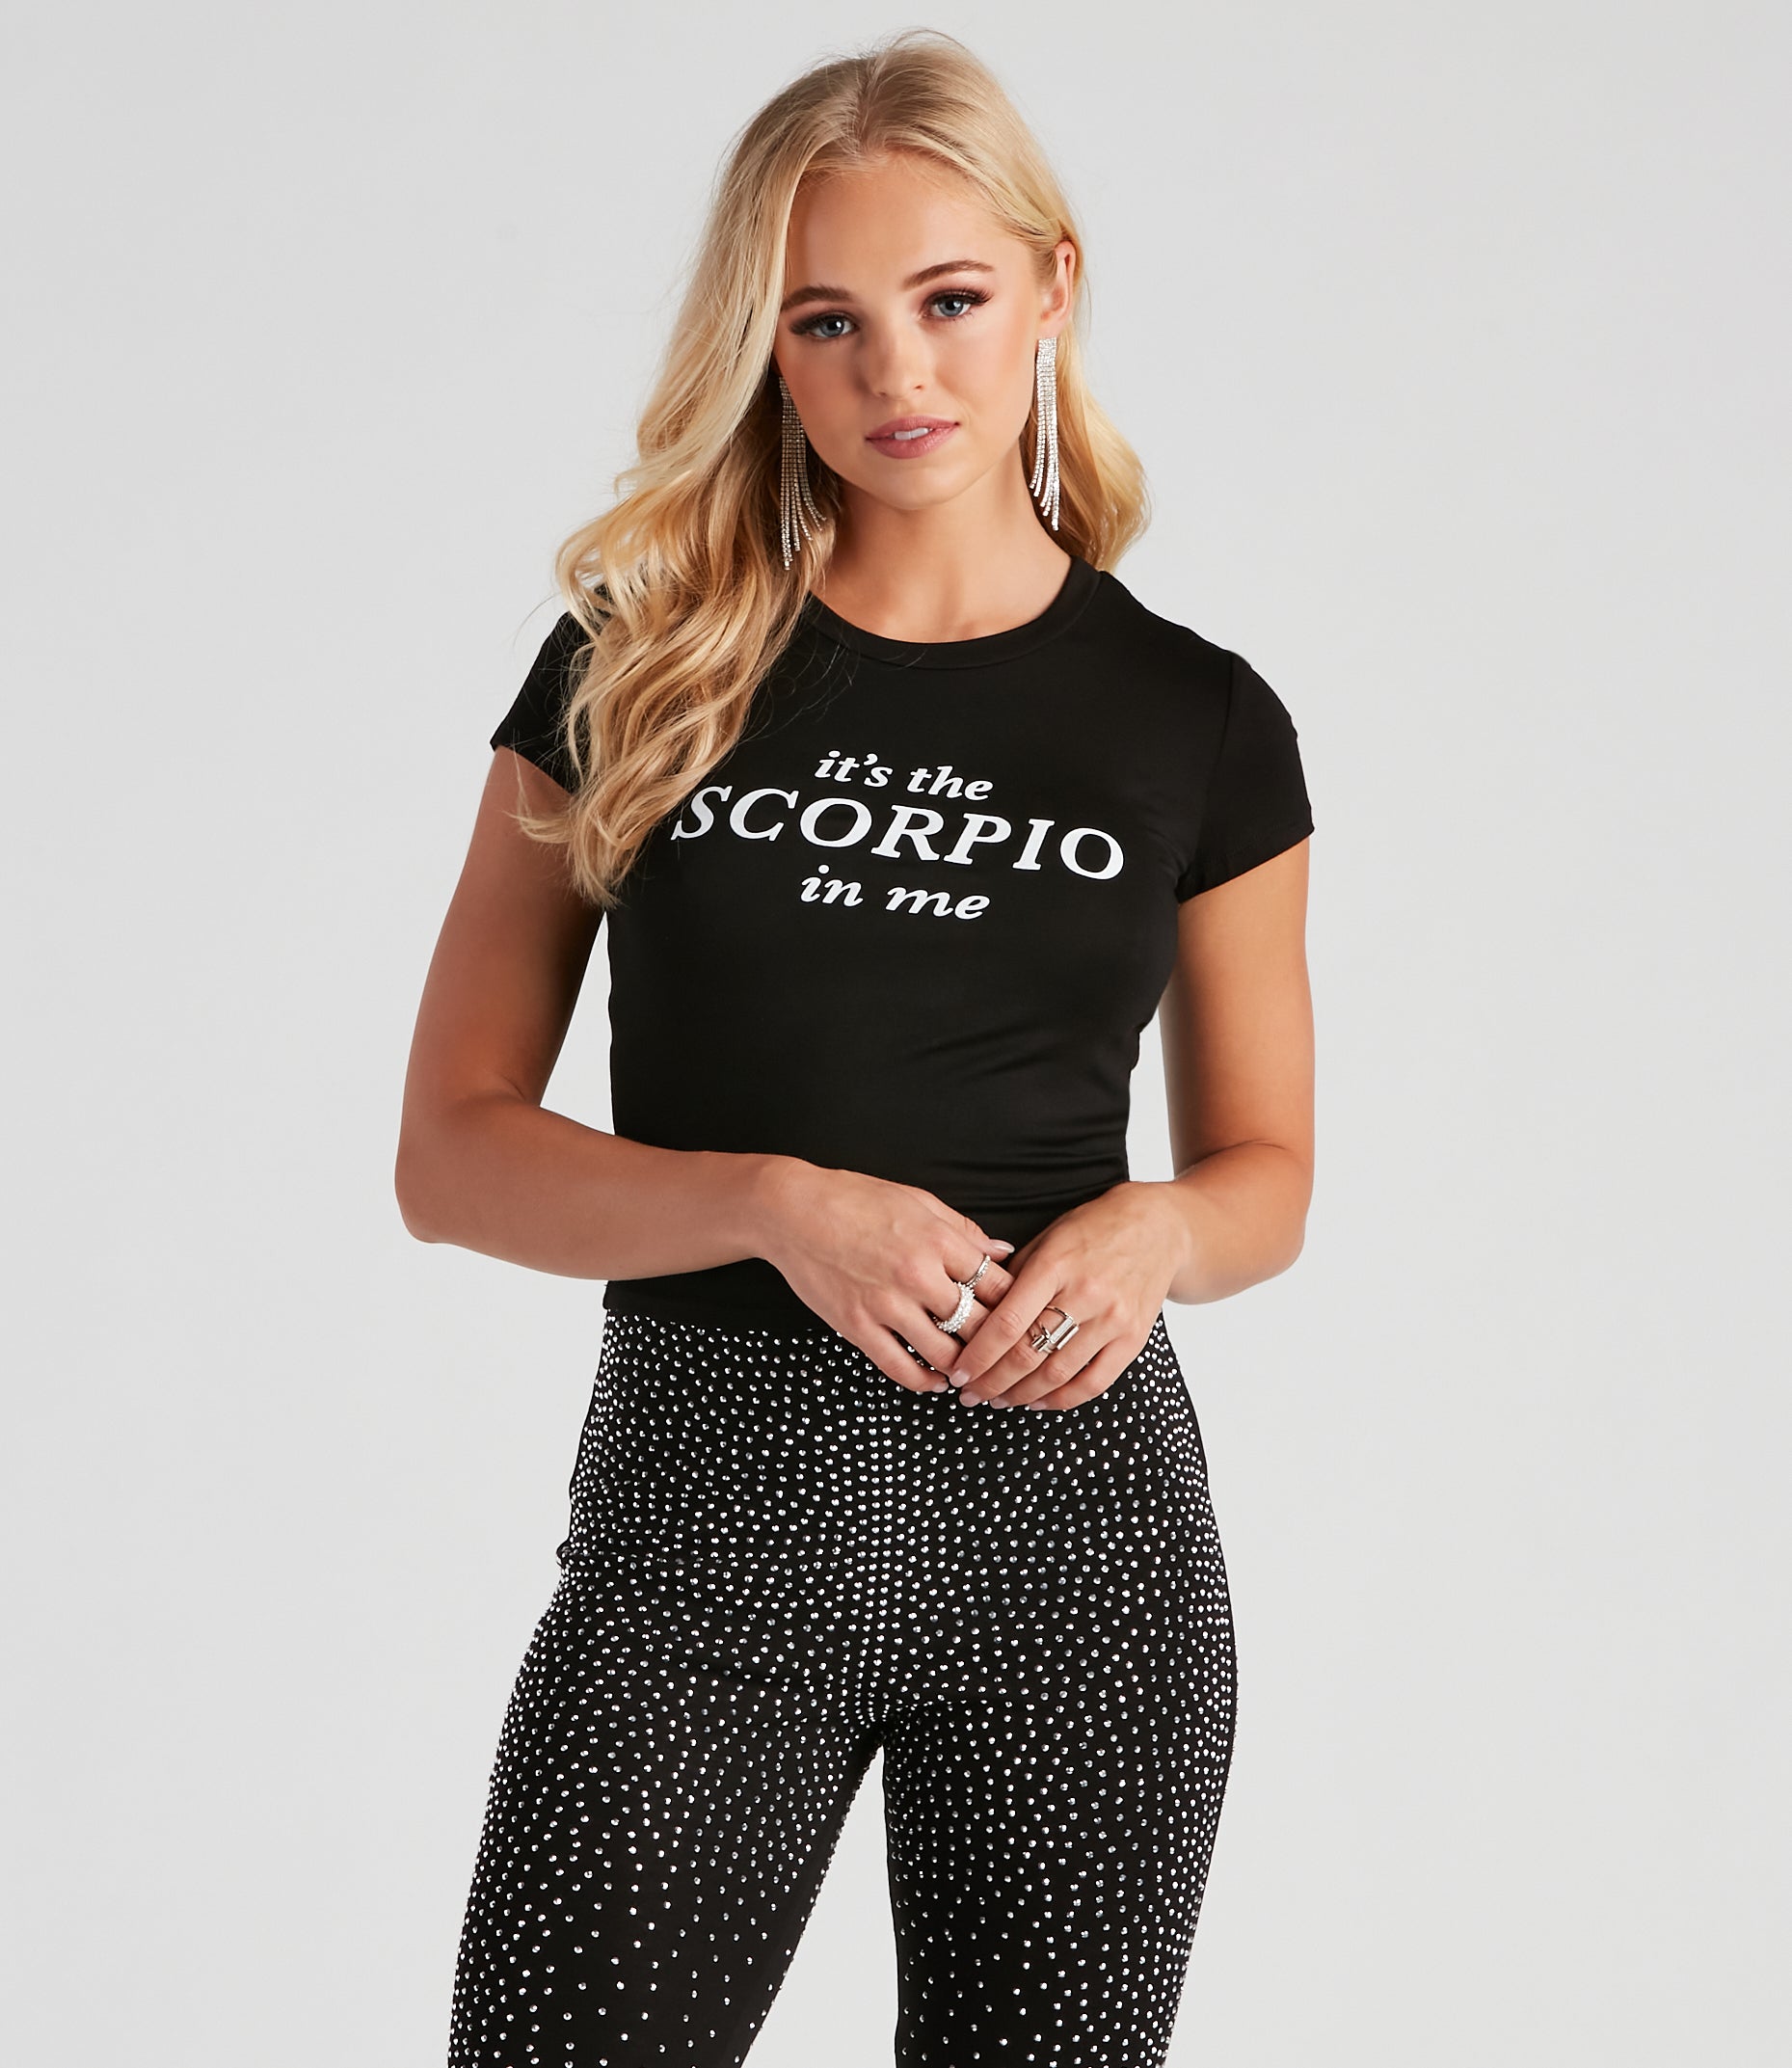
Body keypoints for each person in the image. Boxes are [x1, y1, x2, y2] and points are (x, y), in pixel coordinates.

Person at [396, 28, 1315, 2068]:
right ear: (767, 347)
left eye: (948, 299)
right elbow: (447, 1157)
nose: (899, 371)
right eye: (826, 321)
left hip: (1078, 1542)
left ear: (1051, 288)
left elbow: (1268, 1177)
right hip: (704, 1521)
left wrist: (1160, 1227)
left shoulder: (1197, 721)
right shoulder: (638, 671)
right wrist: (771, 1205)